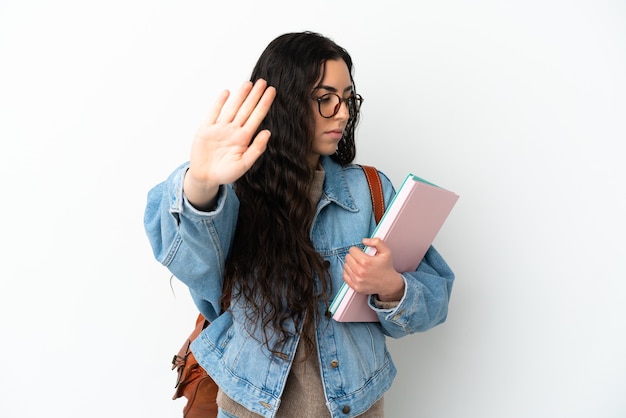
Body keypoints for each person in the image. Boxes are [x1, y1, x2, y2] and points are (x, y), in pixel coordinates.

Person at [144, 31, 455, 418]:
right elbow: (191, 262)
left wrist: (391, 286)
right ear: (286, 101)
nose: (342, 112)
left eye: (347, 99)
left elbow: (437, 297)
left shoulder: (371, 190)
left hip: (355, 407)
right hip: (248, 408)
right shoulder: (233, 189)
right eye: (326, 99)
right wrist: (201, 185)